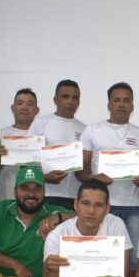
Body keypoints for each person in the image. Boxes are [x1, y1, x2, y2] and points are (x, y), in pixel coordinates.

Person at [78, 82, 139, 277]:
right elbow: (80, 172)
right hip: (100, 207)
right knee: (103, 262)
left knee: (132, 265)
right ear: (109, 103)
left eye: (126, 100)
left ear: (132, 105)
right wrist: (94, 178)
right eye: (117, 99)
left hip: (131, 206)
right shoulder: (92, 130)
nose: (122, 104)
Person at [28, 80, 86, 209]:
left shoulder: (85, 129)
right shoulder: (40, 123)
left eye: (75, 97)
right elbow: (27, 161)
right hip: (44, 194)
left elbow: (86, 165)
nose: (70, 101)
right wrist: (44, 177)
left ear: (79, 101)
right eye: (65, 96)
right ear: (55, 99)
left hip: (74, 196)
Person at [0, 88, 40, 202]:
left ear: (37, 110)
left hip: (34, 200)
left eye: (30, 104)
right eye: (20, 103)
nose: (24, 107)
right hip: (5, 198)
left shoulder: (43, 137)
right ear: (13, 108)